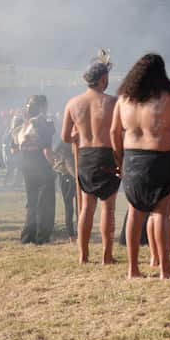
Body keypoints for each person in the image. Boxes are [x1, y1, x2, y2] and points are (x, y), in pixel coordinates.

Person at [111, 53, 170, 280]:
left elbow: (113, 131)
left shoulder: (123, 98)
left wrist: (119, 159)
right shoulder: (169, 95)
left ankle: (132, 269)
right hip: (161, 158)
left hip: (132, 158)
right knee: (160, 213)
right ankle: (164, 268)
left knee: (135, 212)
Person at [61, 51, 120, 264]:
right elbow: (118, 132)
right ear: (103, 79)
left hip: (85, 155)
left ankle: (83, 255)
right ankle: (106, 255)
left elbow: (66, 136)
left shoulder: (73, 103)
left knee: (86, 207)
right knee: (108, 207)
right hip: (105, 154)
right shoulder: (113, 102)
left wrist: (78, 134)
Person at [15, 95, 58, 245]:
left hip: (27, 162)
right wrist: (54, 165)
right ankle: (42, 236)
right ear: (42, 106)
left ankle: (28, 236)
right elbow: (46, 149)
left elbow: (15, 145)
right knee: (45, 202)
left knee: (32, 201)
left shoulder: (25, 123)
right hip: (40, 163)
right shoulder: (42, 122)